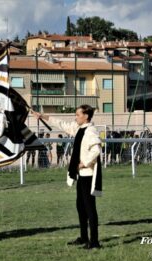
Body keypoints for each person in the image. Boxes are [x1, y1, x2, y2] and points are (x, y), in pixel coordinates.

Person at [31, 105, 102, 249]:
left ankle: (94, 242)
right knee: (80, 207)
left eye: (78, 115)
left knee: (89, 208)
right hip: (81, 176)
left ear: (86, 116)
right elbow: (61, 124)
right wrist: (43, 116)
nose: (75, 117)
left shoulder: (91, 131)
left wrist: (84, 163)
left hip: (87, 175)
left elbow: (96, 150)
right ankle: (83, 237)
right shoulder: (79, 129)